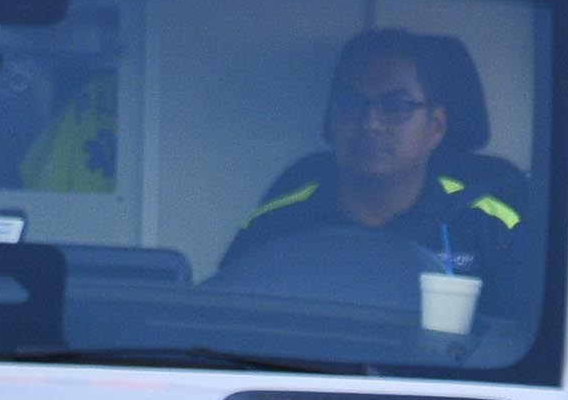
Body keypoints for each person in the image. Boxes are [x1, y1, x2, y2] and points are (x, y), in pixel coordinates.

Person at [220, 32, 530, 297]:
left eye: (395, 106)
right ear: (331, 118)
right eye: (351, 103)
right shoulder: (277, 224)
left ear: (435, 126)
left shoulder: (490, 227)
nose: (370, 123)